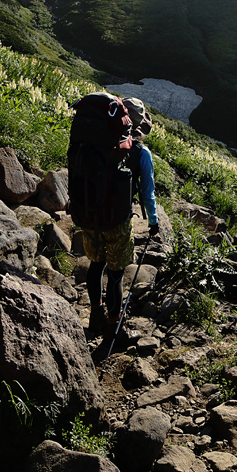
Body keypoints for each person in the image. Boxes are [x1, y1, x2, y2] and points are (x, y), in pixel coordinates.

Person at [84, 97, 158, 336]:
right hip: (118, 220)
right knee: (115, 275)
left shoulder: (94, 141)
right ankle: (114, 324)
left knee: (96, 266)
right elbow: (148, 192)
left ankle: (95, 315)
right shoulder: (141, 153)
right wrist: (153, 221)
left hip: (90, 215)